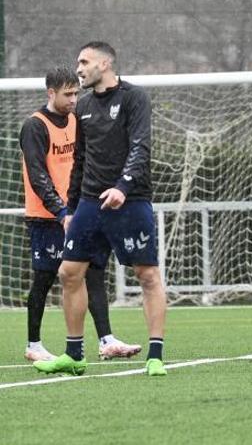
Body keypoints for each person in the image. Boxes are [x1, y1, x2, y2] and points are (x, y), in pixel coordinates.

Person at [33, 42, 168, 377]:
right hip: (91, 205)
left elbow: (141, 146)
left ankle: (155, 355)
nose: (78, 68)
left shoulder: (134, 98)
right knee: (68, 273)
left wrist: (122, 187)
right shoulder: (84, 106)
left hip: (131, 200)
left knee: (147, 275)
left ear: (105, 63)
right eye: (77, 61)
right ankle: (74, 354)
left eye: (84, 61)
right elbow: (80, 160)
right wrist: (70, 210)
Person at [20, 66, 141, 363]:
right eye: (68, 94)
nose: (75, 99)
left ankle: (106, 340)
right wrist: (61, 212)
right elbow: (38, 176)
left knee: (95, 273)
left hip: (79, 212)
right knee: (45, 278)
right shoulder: (35, 126)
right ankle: (33, 344)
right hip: (48, 217)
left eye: (77, 93)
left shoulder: (79, 120)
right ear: (51, 93)